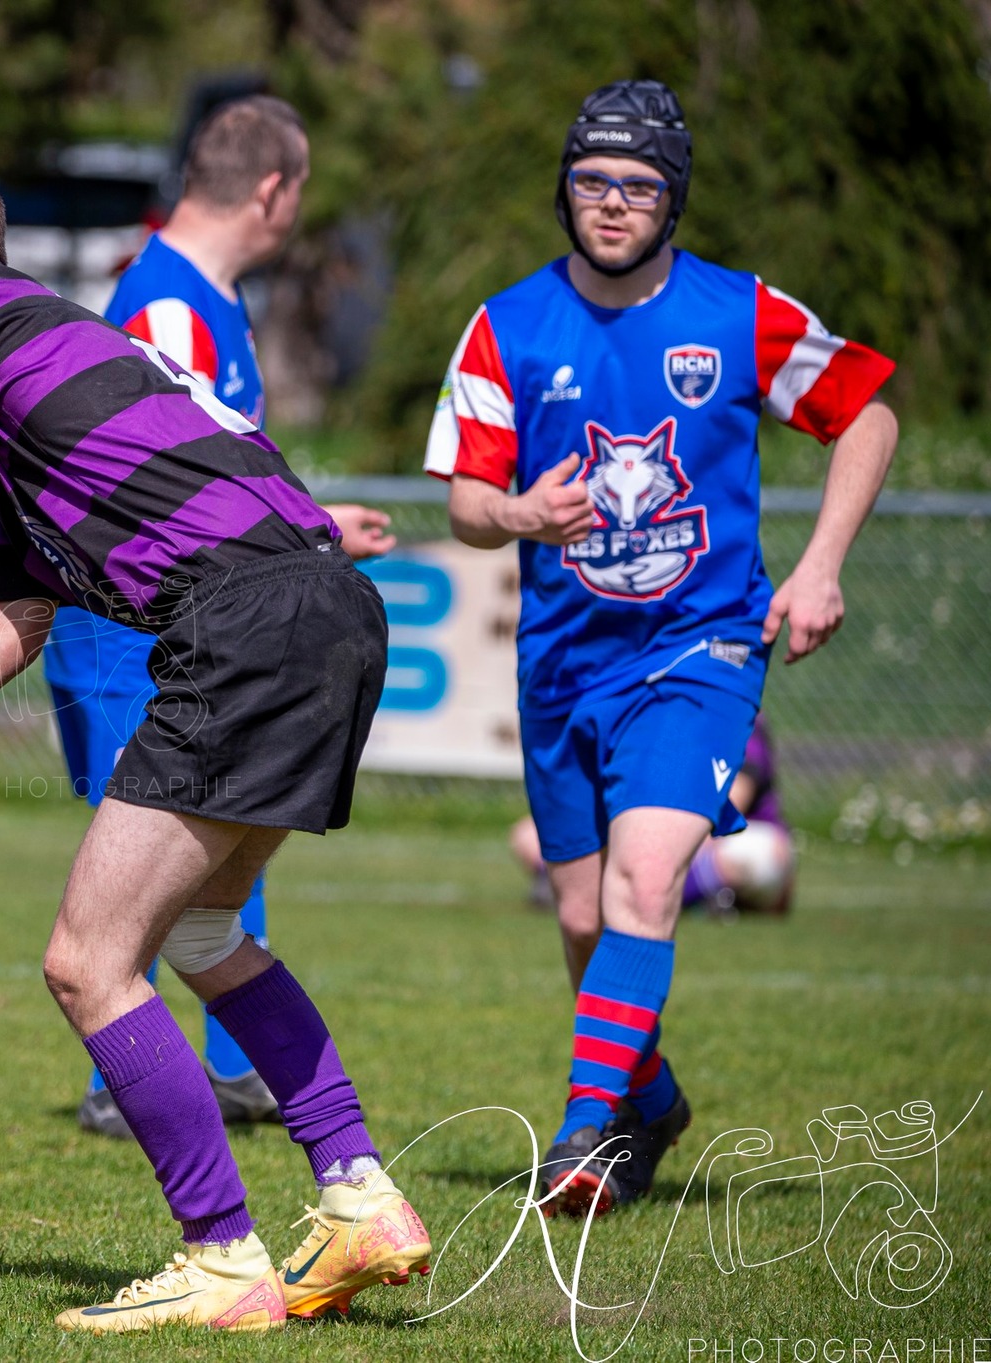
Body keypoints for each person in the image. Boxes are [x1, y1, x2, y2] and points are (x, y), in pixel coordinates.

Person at [0, 146, 432, 1334]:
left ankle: (220, 1255)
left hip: (244, 628)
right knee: (206, 928)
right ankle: (356, 1192)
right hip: (328, 611)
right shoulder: (46, 387)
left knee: (86, 960)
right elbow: (14, 626)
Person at [424, 80, 896, 1216]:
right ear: (564, 191)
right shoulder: (505, 325)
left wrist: (819, 564)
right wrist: (522, 516)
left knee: (646, 882)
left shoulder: (737, 314)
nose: (611, 203)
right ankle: (652, 1098)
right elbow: (467, 503)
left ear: (670, 200)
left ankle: (586, 1133)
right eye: (591, 181)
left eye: (637, 186)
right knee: (582, 920)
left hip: (700, 650)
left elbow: (867, 407)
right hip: (560, 665)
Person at [55, 95, 397, 1139]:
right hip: (137, 638)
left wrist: (307, 518)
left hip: (198, 626)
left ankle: (230, 1066)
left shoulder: (208, 298)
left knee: (214, 841)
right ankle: (129, 1074)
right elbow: (158, 488)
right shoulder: (164, 308)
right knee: (163, 857)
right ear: (273, 189)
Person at [510, 715, 794, 917]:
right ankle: (674, 895)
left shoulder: (738, 717)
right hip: (655, 838)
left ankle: (619, 896)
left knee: (761, 855)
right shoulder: (651, 716)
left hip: (716, 840)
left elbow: (726, 807)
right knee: (530, 835)